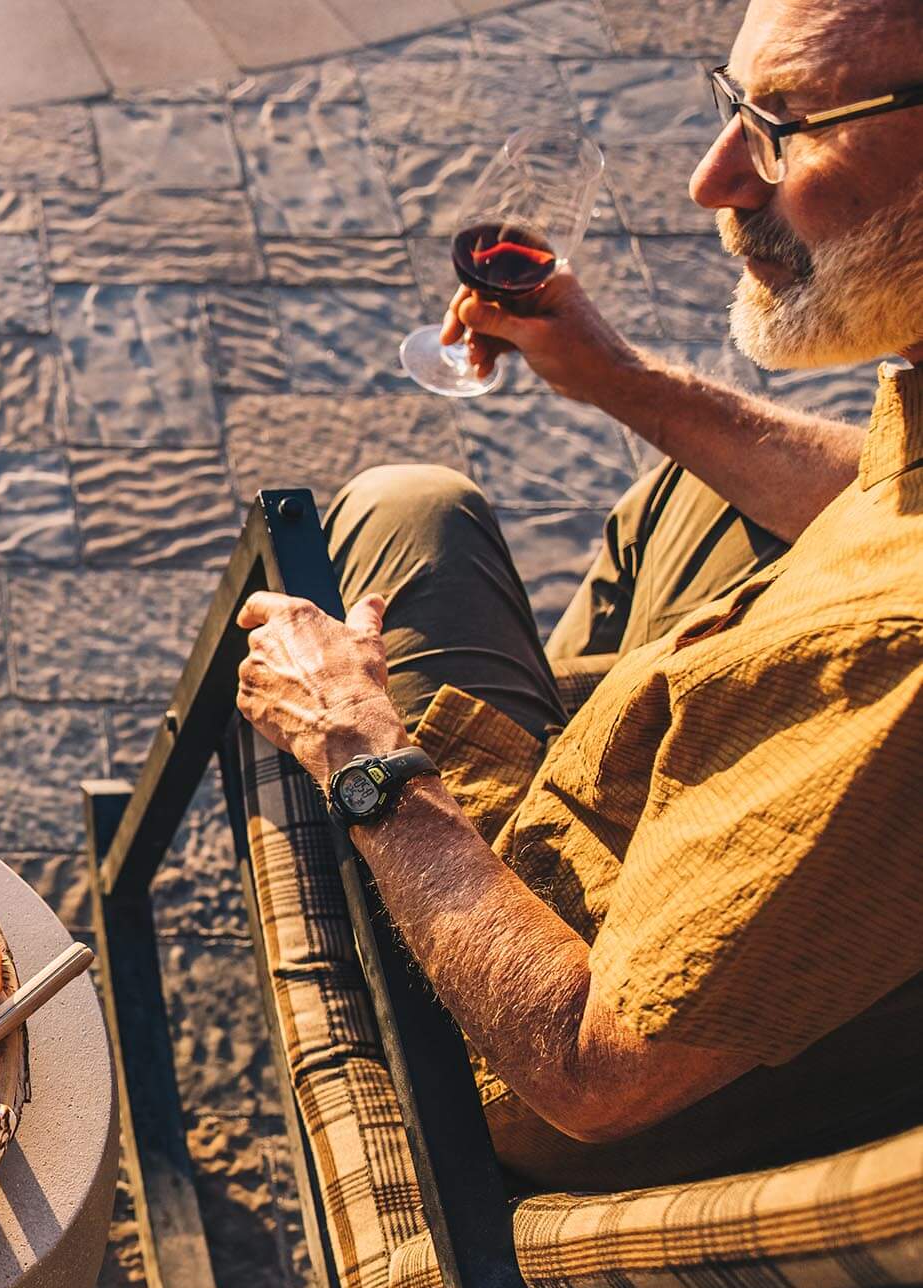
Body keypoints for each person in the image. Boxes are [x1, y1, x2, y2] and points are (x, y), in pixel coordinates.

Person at [233, 0, 923, 1190]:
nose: (716, 178)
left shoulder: (892, 656)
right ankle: (551, 715)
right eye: (734, 107)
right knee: (690, 495)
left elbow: (587, 1077)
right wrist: (622, 380)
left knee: (406, 513)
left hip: (543, 1042)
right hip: (697, 784)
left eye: (784, 129)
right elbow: (883, 496)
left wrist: (358, 743)